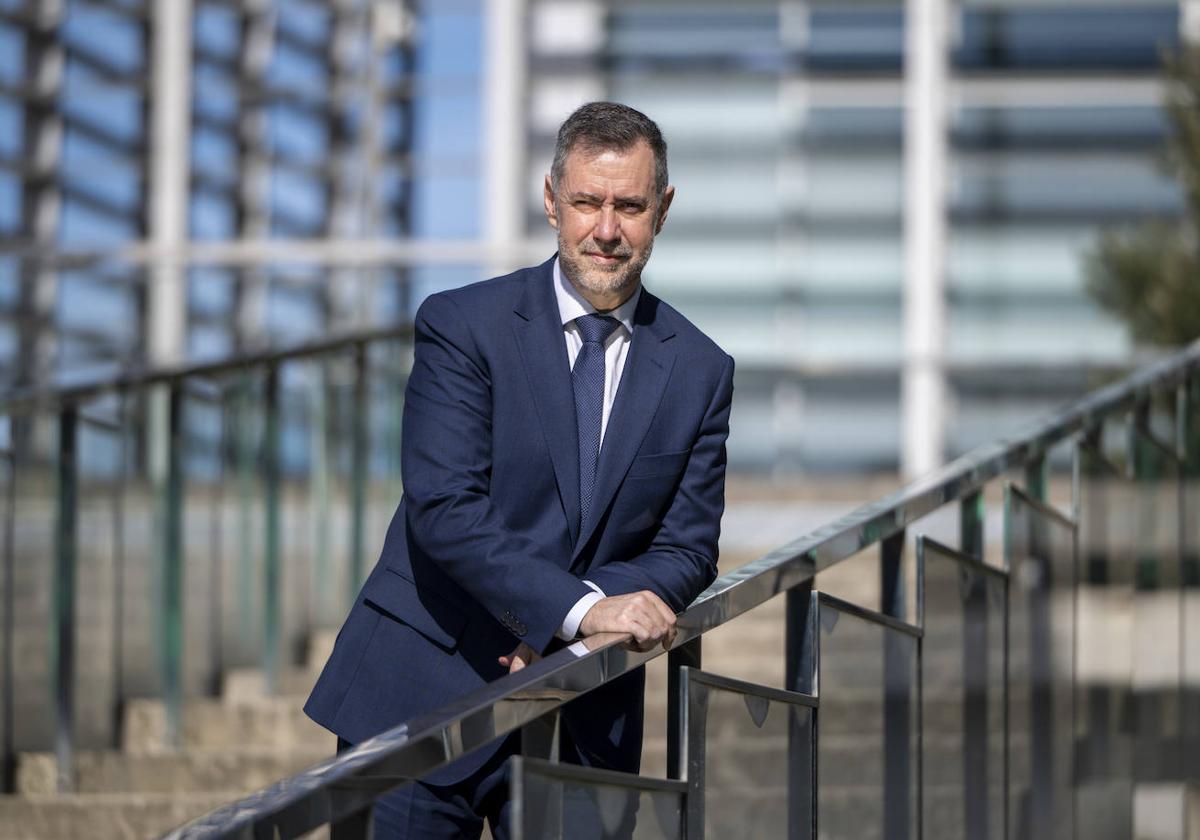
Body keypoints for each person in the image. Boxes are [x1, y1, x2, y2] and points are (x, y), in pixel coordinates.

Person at [304, 101, 735, 839]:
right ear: (549, 201)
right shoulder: (461, 325)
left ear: (662, 210)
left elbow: (687, 547)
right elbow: (444, 507)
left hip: (584, 718)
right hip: (420, 693)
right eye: (586, 203)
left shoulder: (700, 369)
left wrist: (591, 612)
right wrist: (574, 610)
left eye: (629, 206)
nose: (606, 230)